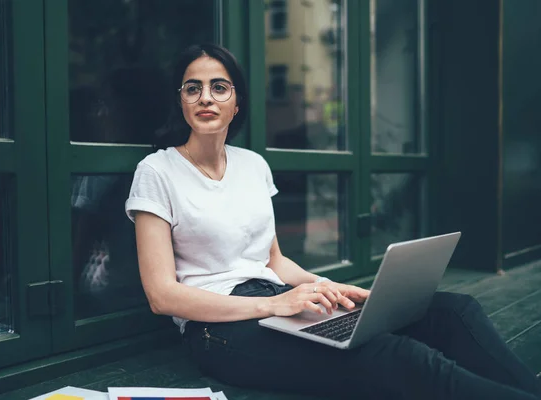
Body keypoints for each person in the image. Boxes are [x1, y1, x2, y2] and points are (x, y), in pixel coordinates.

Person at [125, 43, 541, 400]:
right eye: (192, 88)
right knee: (399, 358)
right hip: (220, 330)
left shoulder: (253, 166)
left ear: (237, 102)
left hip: (281, 301)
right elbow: (162, 296)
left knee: (455, 310)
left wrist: (325, 286)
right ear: (180, 100)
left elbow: (274, 260)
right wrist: (273, 303)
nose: (206, 98)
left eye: (219, 87)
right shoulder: (157, 171)